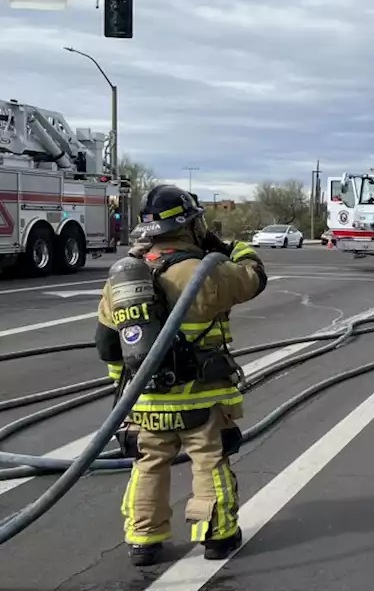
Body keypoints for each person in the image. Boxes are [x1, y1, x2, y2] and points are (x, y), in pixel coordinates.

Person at [96, 185, 268, 567]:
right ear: (190, 225)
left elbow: (108, 346)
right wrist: (232, 248)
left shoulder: (124, 279)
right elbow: (254, 278)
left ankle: (143, 540)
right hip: (201, 396)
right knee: (209, 459)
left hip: (145, 398)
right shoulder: (205, 271)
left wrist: (126, 394)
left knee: (149, 462)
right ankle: (218, 536)